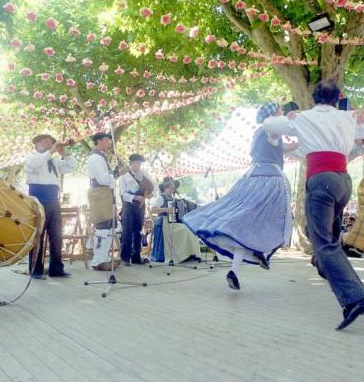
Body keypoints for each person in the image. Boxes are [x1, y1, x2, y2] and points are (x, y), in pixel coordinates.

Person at [263, 79, 364, 330]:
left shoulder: (303, 118)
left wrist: (289, 115)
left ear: (314, 97)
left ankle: (356, 296)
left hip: (321, 181)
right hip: (343, 181)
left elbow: (267, 123)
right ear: (337, 96)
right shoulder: (348, 117)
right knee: (329, 240)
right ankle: (329, 272)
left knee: (323, 244)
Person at [183, 103, 297, 290]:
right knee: (272, 221)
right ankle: (256, 253)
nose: (280, 113)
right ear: (273, 115)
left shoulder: (258, 133)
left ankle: (239, 267)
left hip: (250, 178)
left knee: (244, 225)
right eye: (278, 111)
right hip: (269, 181)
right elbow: (290, 142)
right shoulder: (271, 129)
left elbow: (289, 146)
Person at [25, 134, 77, 279]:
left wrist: (64, 154)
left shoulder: (54, 160)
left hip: (54, 198)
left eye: (51, 142)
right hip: (38, 197)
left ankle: (56, 269)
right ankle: (35, 270)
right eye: (45, 141)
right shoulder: (32, 157)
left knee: (56, 235)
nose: (49, 144)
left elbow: (72, 166)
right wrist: (51, 151)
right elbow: (34, 165)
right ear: (36, 144)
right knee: (38, 235)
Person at [87, 132, 122, 271]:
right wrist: (118, 173)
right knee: (103, 226)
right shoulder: (95, 158)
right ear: (99, 141)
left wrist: (116, 171)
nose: (109, 143)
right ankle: (98, 261)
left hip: (105, 193)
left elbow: (107, 178)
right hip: (100, 192)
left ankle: (104, 258)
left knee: (109, 226)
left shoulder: (102, 157)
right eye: (107, 140)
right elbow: (103, 179)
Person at [151, 180, 201, 264]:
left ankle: (189, 254)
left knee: (190, 229)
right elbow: (153, 210)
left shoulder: (174, 199)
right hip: (164, 223)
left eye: (173, 188)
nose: (172, 190)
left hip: (172, 223)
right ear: (165, 188)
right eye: (170, 188)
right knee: (185, 230)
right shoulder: (161, 198)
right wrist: (166, 209)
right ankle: (180, 255)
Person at [119, 154, 155, 266]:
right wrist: (134, 197)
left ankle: (136, 257)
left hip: (140, 205)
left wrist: (148, 195)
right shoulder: (124, 176)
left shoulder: (143, 174)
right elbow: (122, 193)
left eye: (140, 163)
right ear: (131, 163)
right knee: (127, 232)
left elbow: (153, 186)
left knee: (138, 231)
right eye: (137, 162)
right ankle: (125, 258)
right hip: (129, 205)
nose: (139, 165)